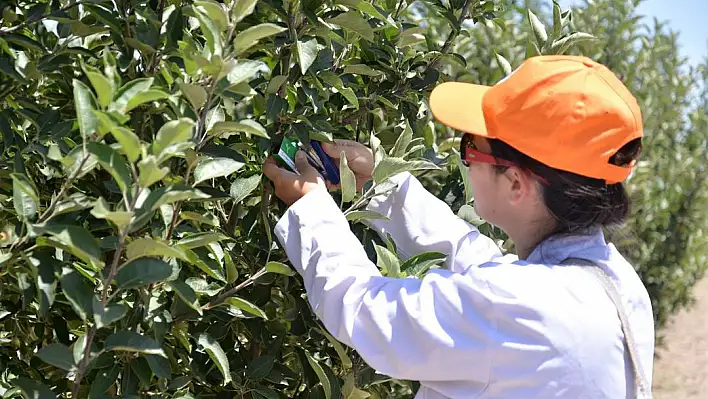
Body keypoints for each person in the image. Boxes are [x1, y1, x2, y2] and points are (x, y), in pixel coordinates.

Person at [262, 55, 655, 399]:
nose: (464, 156)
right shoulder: (615, 283)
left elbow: (367, 311)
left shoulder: (518, 307)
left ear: (516, 183)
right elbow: (481, 267)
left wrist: (311, 210)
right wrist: (384, 187)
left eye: (471, 145)